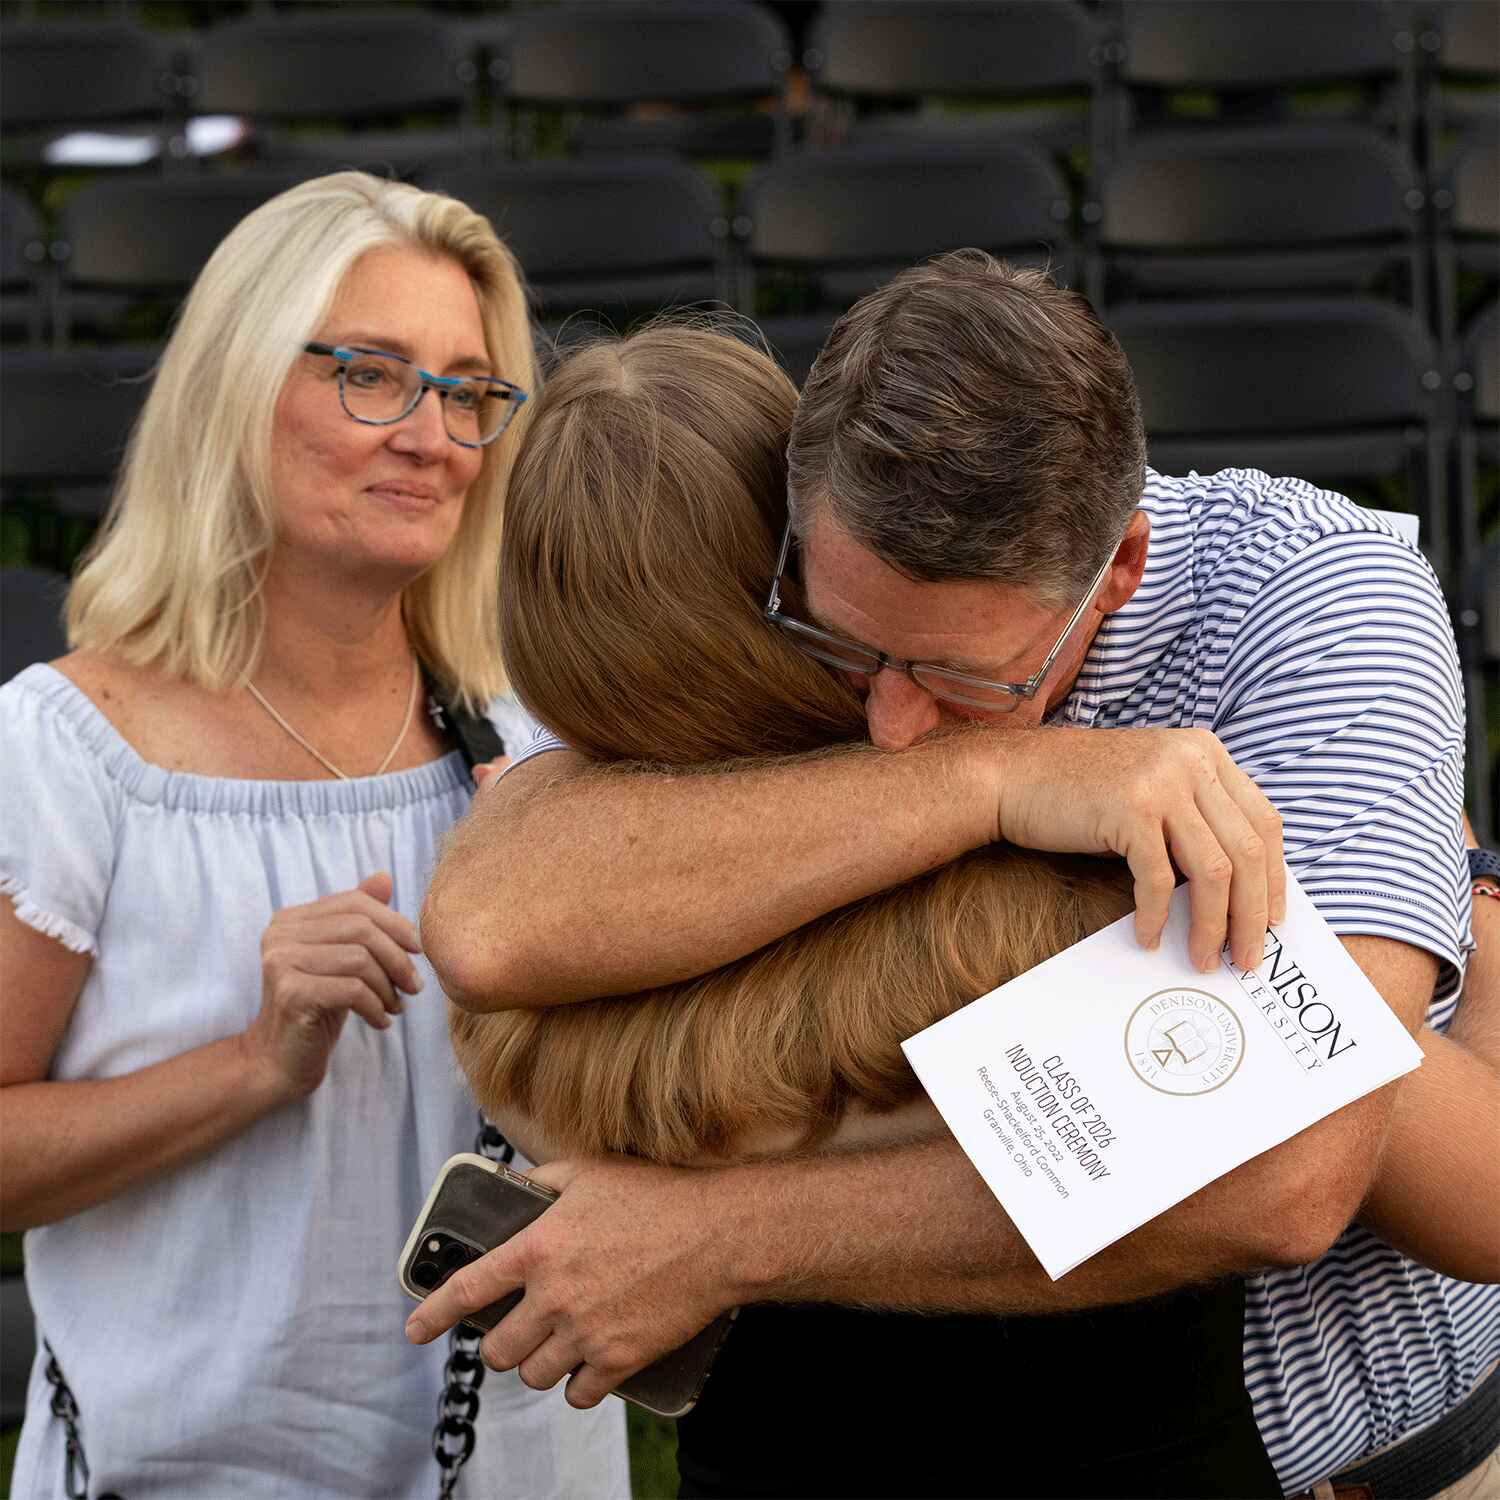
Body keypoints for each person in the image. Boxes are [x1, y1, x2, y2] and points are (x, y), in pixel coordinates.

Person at [413, 255, 1497, 1499]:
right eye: (839, 651)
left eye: (965, 678)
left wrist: (711, 1243)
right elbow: (493, 913)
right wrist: (996, 776)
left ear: (1120, 567)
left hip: (1354, 1456)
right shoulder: (757, 570)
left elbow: (1294, 1163)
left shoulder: (1311, 598)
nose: (886, 725)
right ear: (796, 513)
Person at [0, 171, 628, 1499]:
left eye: (466, 391)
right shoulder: (68, 754)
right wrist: (251, 1063)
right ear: (235, 385)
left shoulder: (536, 743)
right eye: (370, 373)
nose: (430, 434)